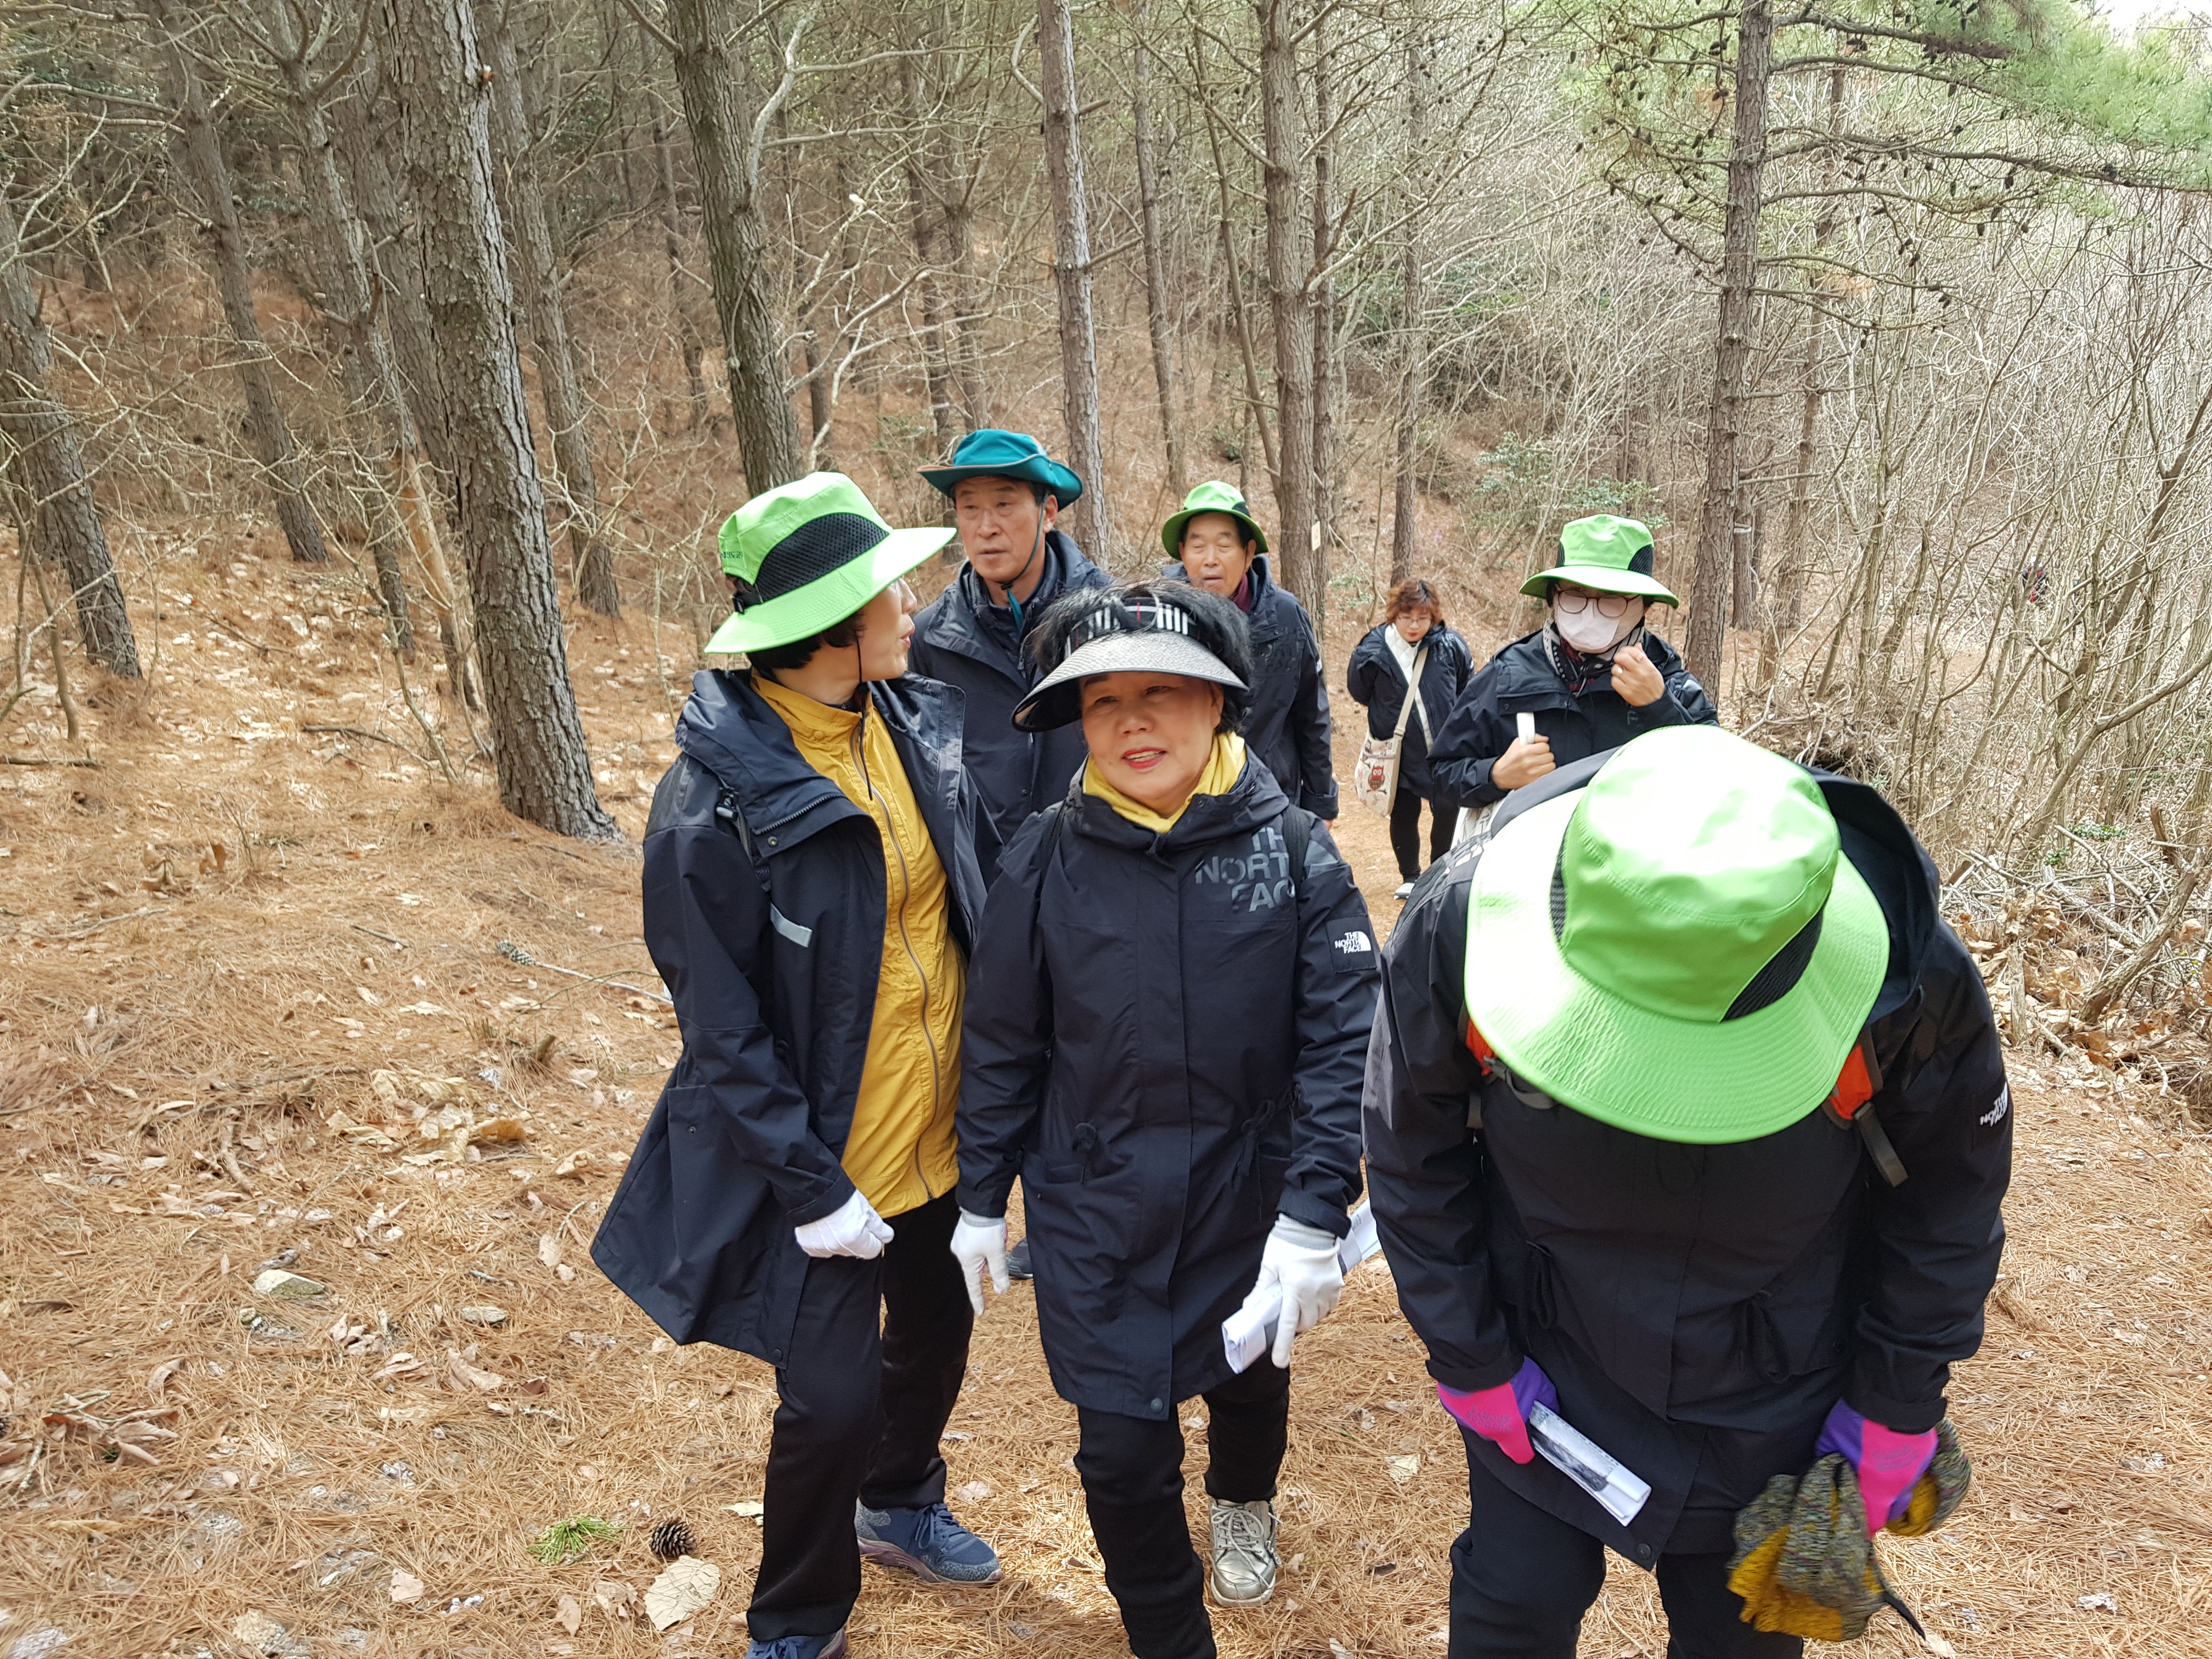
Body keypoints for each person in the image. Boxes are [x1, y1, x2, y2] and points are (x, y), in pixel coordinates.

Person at [1364, 725, 2012, 1658]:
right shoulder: (1458, 924)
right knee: (1517, 1599)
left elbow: (1948, 1196)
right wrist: (1471, 1355)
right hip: (1547, 1350)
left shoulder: (1912, 982)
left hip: (1778, 1379)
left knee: (1741, 1637)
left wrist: (1895, 1399)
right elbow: (1410, 1146)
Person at [592, 473, 1001, 1659]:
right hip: (830, 1159)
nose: (915, 603)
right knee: (828, 1400)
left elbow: (964, 901)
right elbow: (722, 1031)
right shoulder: (709, 809)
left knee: (936, 1335)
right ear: (830, 628)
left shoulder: (911, 725)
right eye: (888, 591)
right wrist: (815, 1193)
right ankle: (799, 1612)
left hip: (943, 1129)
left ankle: (903, 1503)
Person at [952, 582, 1376, 1659]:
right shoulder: (1044, 859)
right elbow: (1004, 1039)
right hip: (1095, 1212)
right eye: (1104, 702)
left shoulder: (1294, 857)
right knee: (1120, 1456)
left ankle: (1245, 1499)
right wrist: (974, 1199)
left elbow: (1344, 1047)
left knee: (1246, 1384)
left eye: (1164, 692)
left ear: (1221, 702)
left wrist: (1314, 1212)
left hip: (1250, 1201)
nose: (1134, 722)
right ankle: (1167, 1634)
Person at [908, 428, 1110, 888]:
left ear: (1048, 512)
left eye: (1005, 504)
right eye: (969, 507)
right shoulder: (927, 640)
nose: (985, 527)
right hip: (986, 890)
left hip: (1097, 880)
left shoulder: (1108, 617)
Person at [1427, 515, 1715, 817]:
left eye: (1612, 598)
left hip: (1632, 861)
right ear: (1554, 597)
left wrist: (1661, 707)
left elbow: (1719, 779)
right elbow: (1441, 774)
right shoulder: (1509, 673)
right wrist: (1495, 774)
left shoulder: (1669, 681)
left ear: (1645, 605)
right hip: (1533, 860)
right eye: (1576, 595)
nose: (1591, 612)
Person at [1160, 481, 1337, 822]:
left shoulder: (1285, 617)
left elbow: (1311, 715)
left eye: (1224, 545)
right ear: (1182, 552)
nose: (1210, 560)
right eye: (1198, 546)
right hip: (1185, 808)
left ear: (1248, 552)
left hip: (1271, 801)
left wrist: (1321, 804)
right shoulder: (1164, 617)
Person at [1346, 577, 1475, 900]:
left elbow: (1466, 686)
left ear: (1434, 617)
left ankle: (1439, 871)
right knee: (1404, 811)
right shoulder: (1372, 652)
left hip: (1444, 750)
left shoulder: (1449, 646)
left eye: (1423, 618)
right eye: (1407, 617)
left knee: (1447, 810)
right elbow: (1359, 691)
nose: (1414, 625)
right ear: (1395, 615)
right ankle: (1410, 876)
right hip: (1398, 753)